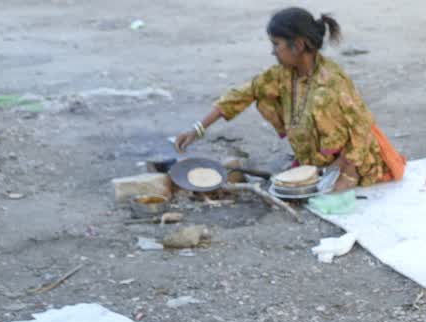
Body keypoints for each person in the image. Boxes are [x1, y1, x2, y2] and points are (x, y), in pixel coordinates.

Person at [173, 8, 404, 192]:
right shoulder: (284, 74)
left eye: (276, 44)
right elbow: (243, 93)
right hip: (315, 158)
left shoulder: (332, 82)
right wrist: (198, 129)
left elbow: (361, 128)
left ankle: (336, 168)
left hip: (354, 161)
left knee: (323, 103)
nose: (273, 51)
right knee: (261, 93)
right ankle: (311, 163)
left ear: (299, 44)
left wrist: (347, 174)